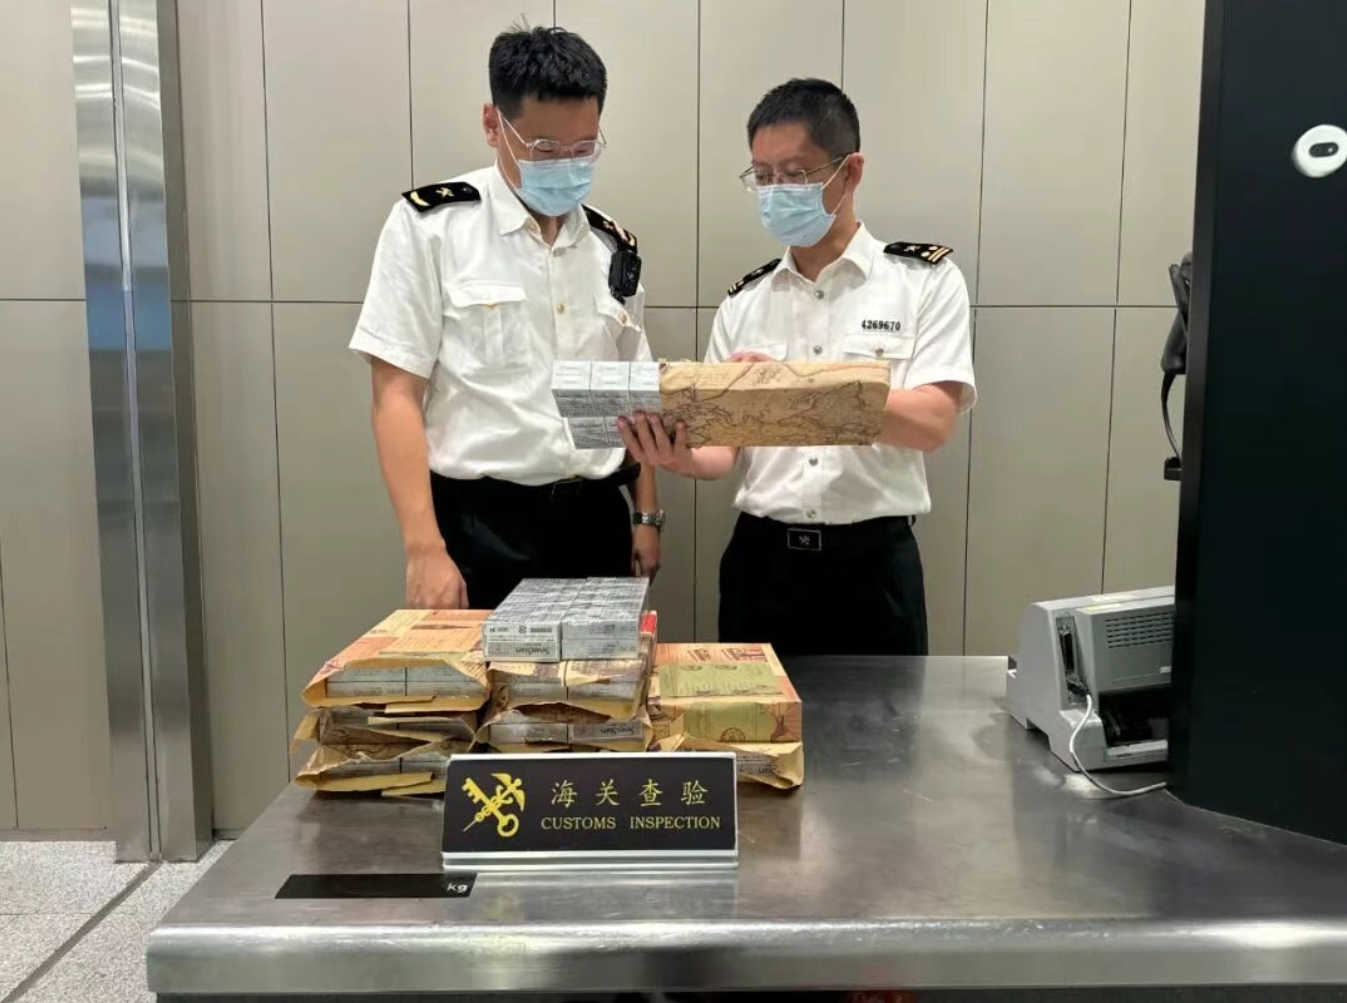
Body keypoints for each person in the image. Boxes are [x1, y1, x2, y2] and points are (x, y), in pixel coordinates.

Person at [620, 78, 975, 656]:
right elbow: (722, 453)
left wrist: (791, 388)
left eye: (795, 173)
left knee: (885, 717)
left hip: (873, 569)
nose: (776, 191)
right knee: (752, 715)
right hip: (762, 564)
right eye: (763, 176)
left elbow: (932, 423)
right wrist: (676, 454)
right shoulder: (745, 300)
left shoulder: (923, 282)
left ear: (850, 171)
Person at [350, 25, 662, 611]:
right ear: (494, 124)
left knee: (602, 674)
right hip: (483, 527)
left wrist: (645, 514)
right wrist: (423, 548)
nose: (566, 164)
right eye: (544, 148)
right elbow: (394, 393)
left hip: (595, 520)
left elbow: (629, 395)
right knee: (484, 674)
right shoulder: (432, 227)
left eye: (583, 148)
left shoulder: (610, 247)